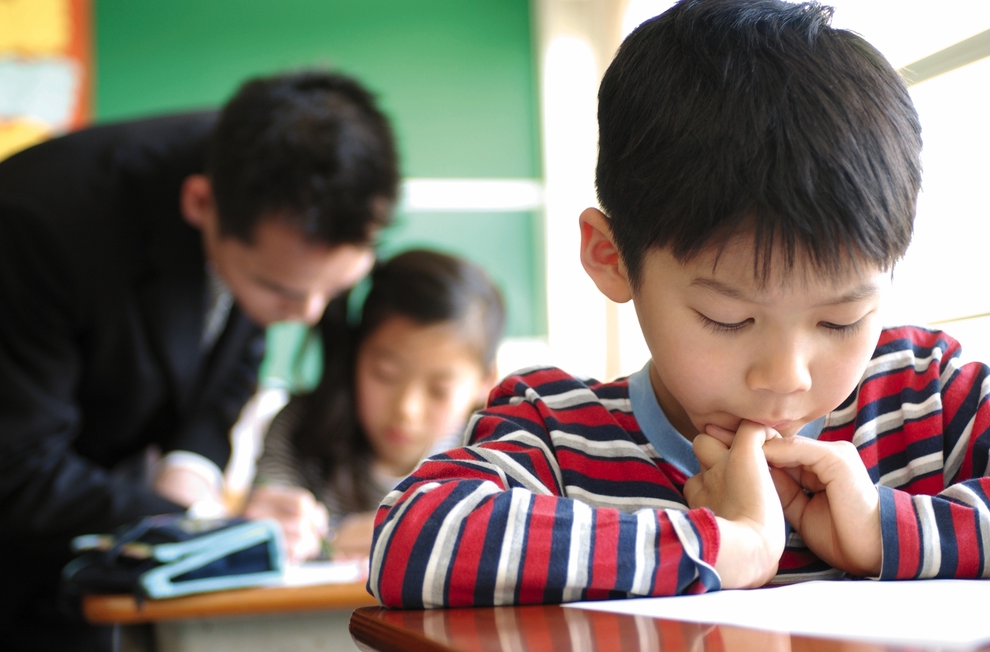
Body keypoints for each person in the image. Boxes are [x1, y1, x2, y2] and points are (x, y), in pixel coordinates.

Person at [368, 0, 990, 609]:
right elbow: (413, 537)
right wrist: (728, 545)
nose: (785, 377)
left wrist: (885, 528)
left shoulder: (926, 396)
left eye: (841, 320)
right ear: (612, 258)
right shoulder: (558, 435)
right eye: (729, 319)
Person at [0, 71, 398, 649]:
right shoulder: (33, 228)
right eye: (281, 291)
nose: (306, 313)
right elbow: (15, 466)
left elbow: (232, 357)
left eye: (330, 291)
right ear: (200, 203)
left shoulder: (281, 182)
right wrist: (201, 528)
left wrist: (191, 473)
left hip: (102, 526)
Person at [245, 249, 504, 562]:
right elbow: (267, 526)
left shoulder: (498, 453)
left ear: (485, 381)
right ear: (355, 354)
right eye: (385, 375)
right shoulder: (299, 429)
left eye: (439, 390)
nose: (407, 409)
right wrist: (310, 538)